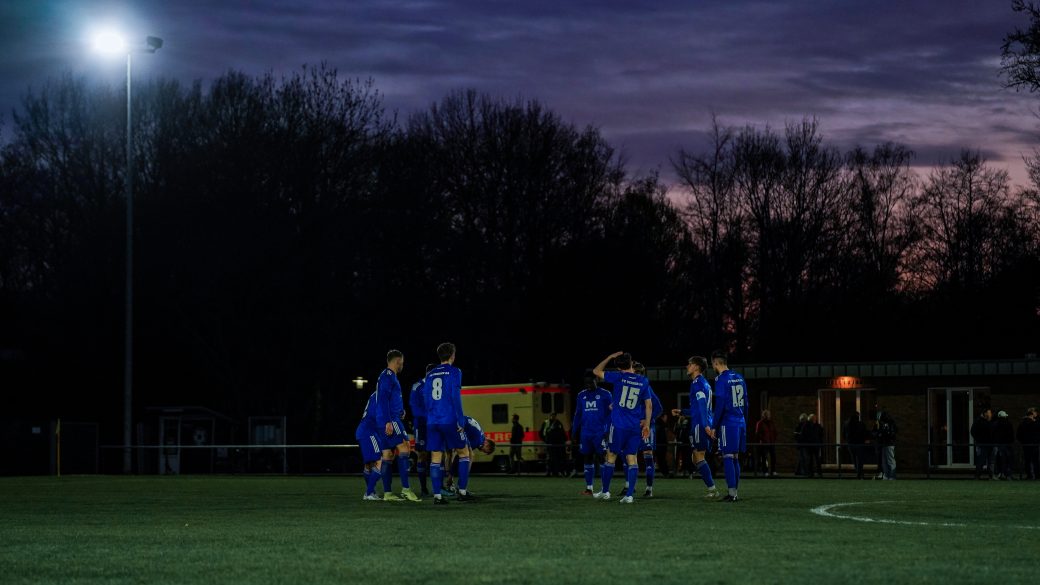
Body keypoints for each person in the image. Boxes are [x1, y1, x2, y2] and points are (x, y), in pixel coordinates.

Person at [592, 351, 652, 504]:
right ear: (631, 363)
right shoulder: (643, 381)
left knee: (611, 456)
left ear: (618, 368)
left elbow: (596, 371)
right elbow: (648, 405)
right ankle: (630, 495)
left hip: (618, 425)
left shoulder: (618, 377)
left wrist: (609, 357)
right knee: (632, 459)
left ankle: (605, 491)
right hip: (634, 427)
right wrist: (647, 424)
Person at [423, 342, 474, 504]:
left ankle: (437, 496)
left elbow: (426, 399)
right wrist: (460, 419)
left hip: (432, 421)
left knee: (436, 457)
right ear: (452, 355)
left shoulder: (430, 374)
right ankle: (463, 491)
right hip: (449, 419)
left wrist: (430, 417)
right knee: (464, 453)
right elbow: (455, 396)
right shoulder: (455, 371)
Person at [375, 350, 420, 502]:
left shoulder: (388, 376)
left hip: (389, 418)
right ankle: (406, 489)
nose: (403, 365)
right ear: (397, 361)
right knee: (405, 448)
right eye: (402, 362)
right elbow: (383, 399)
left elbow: (390, 399)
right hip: (390, 420)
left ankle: (387, 493)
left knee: (387, 454)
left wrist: (400, 410)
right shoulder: (388, 376)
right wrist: (389, 420)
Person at [671, 355, 718, 498]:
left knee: (699, 456)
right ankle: (712, 488)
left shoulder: (697, 383)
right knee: (695, 457)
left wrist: (705, 426)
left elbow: (703, 406)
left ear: (696, 367)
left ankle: (712, 489)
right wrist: (682, 412)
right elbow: (698, 408)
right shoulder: (703, 383)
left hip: (700, 424)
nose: (687, 366)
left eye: (690, 364)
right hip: (700, 422)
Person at [706, 350, 747, 502]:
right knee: (735, 457)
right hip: (740, 421)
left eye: (713, 364)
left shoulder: (720, 379)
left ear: (716, 363)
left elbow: (721, 403)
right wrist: (744, 421)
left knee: (728, 457)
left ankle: (732, 494)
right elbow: (746, 402)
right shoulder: (739, 377)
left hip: (728, 422)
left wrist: (714, 425)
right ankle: (734, 492)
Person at [572, 375, 612, 495]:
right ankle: (589, 488)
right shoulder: (581, 395)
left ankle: (605, 489)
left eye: (591, 382)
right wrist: (574, 432)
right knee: (587, 458)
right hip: (586, 433)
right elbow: (577, 415)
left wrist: (607, 429)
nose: (589, 385)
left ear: (597, 381)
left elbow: (612, 413)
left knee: (602, 458)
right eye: (586, 383)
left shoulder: (606, 394)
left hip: (600, 432)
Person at [633, 362, 663, 497]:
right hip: (631, 428)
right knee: (628, 457)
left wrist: (647, 420)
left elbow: (658, 408)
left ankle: (649, 489)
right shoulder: (628, 388)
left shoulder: (646, 388)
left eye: (637, 373)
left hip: (646, 428)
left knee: (648, 458)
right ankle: (629, 488)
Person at [356, 384, 389, 501]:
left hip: (363, 431)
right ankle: (369, 493)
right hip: (369, 432)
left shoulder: (373, 396)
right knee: (379, 460)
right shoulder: (379, 397)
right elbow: (377, 417)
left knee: (368, 465)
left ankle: (371, 492)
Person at [409, 364, 435, 496]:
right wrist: (428, 417)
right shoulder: (417, 386)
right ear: (428, 373)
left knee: (438, 454)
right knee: (422, 455)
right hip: (422, 424)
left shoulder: (437, 386)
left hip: (435, 424)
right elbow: (414, 407)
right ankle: (424, 488)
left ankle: (439, 488)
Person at [971, 408, 994, 480]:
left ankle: (989, 475)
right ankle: (978, 475)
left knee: (989, 460)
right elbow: (973, 431)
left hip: (988, 444)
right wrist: (979, 440)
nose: (990, 415)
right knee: (982, 460)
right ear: (985, 414)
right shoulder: (979, 422)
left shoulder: (985, 422)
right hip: (983, 444)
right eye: (989, 413)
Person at [874, 406, 897, 480]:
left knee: (890, 460)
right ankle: (887, 475)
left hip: (889, 444)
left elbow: (892, 433)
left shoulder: (890, 423)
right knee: (884, 461)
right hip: (884, 443)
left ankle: (892, 476)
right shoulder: (885, 424)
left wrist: (883, 434)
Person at [844, 411, 868, 479]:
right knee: (860, 460)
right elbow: (864, 433)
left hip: (851, 444)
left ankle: (858, 473)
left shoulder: (846, 423)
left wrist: (847, 440)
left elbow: (844, 434)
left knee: (854, 459)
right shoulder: (861, 424)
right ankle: (860, 473)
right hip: (859, 444)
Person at [540, 412, 566, 476]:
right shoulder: (547, 422)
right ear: (550, 416)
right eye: (552, 415)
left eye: (554, 416)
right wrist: (545, 440)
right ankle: (549, 471)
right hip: (550, 443)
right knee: (550, 458)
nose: (553, 417)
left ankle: (554, 472)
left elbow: (562, 433)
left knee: (555, 458)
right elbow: (541, 433)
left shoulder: (558, 423)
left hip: (555, 444)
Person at [755, 410, 778, 477]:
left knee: (773, 457)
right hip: (764, 443)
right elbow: (757, 434)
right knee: (764, 458)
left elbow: (775, 432)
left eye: (768, 414)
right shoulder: (760, 423)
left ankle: (773, 471)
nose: (768, 416)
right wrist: (763, 440)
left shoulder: (771, 423)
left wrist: (773, 439)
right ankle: (765, 471)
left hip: (771, 443)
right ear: (764, 415)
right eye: (767, 414)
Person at [993, 410, 1015, 480]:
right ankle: (1008, 474)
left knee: (999, 460)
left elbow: (993, 434)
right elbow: (1011, 434)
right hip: (1008, 444)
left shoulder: (995, 424)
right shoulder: (1009, 424)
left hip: (998, 444)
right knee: (1008, 460)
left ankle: (1000, 473)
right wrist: (1011, 441)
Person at [1018, 407, 1039, 480]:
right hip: (1034, 444)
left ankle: (1029, 475)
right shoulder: (1034, 423)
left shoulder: (1022, 423)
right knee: (1035, 460)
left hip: (1025, 444)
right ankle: (1036, 475)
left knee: (1027, 460)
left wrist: (1022, 441)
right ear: (1032, 414)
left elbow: (1019, 435)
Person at [805, 414, 823, 478]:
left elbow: (821, 435)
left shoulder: (817, 426)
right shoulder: (807, 426)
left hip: (815, 444)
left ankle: (818, 472)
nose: (814, 419)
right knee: (811, 459)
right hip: (811, 444)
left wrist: (820, 442)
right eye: (813, 418)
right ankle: (811, 472)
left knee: (816, 458)